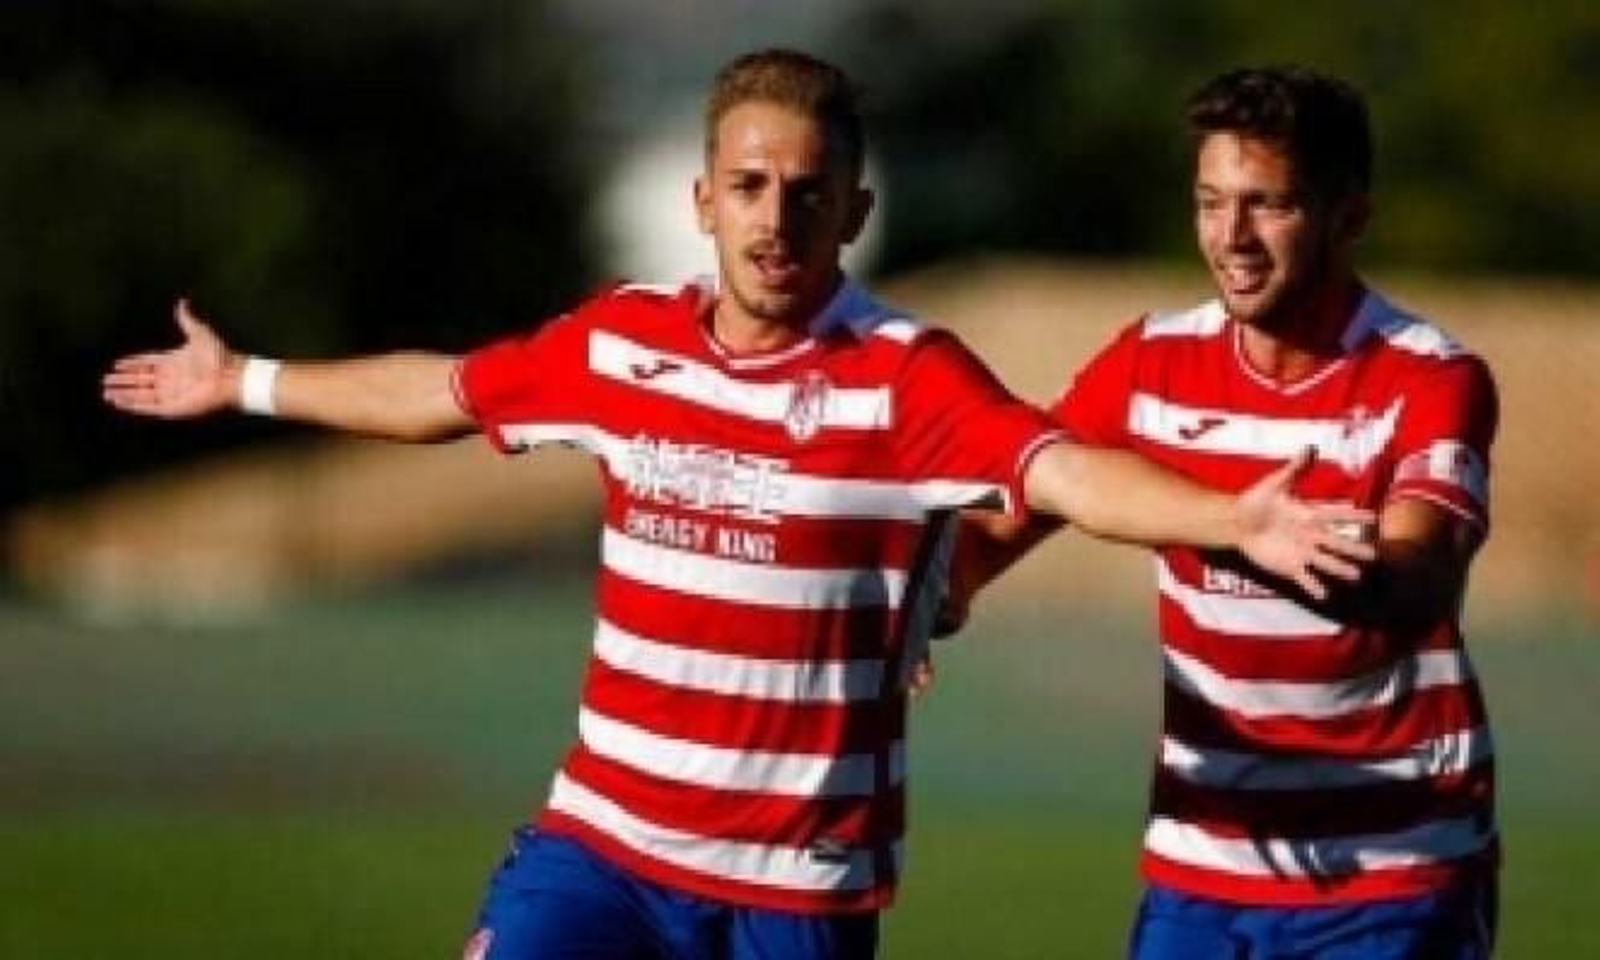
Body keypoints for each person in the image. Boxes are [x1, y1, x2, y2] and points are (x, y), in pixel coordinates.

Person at [103, 50, 1373, 960]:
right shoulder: (618, 345)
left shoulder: (905, 379)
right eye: (751, 188)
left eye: (808, 193)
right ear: (704, 201)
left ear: (853, 214)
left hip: (796, 891)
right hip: (601, 850)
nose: (777, 219)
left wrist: (1234, 520)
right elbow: (442, 388)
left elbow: (1063, 473)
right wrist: (245, 380)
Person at [952, 66, 1500, 958]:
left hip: (1395, 864)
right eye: (1210, 203)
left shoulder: (1432, 378)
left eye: (1267, 206)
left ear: (1349, 217)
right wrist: (902, 600)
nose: (1231, 238)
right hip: (1202, 861)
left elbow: (1418, 587)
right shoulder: (1151, 362)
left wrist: (1272, 544)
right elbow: (991, 530)